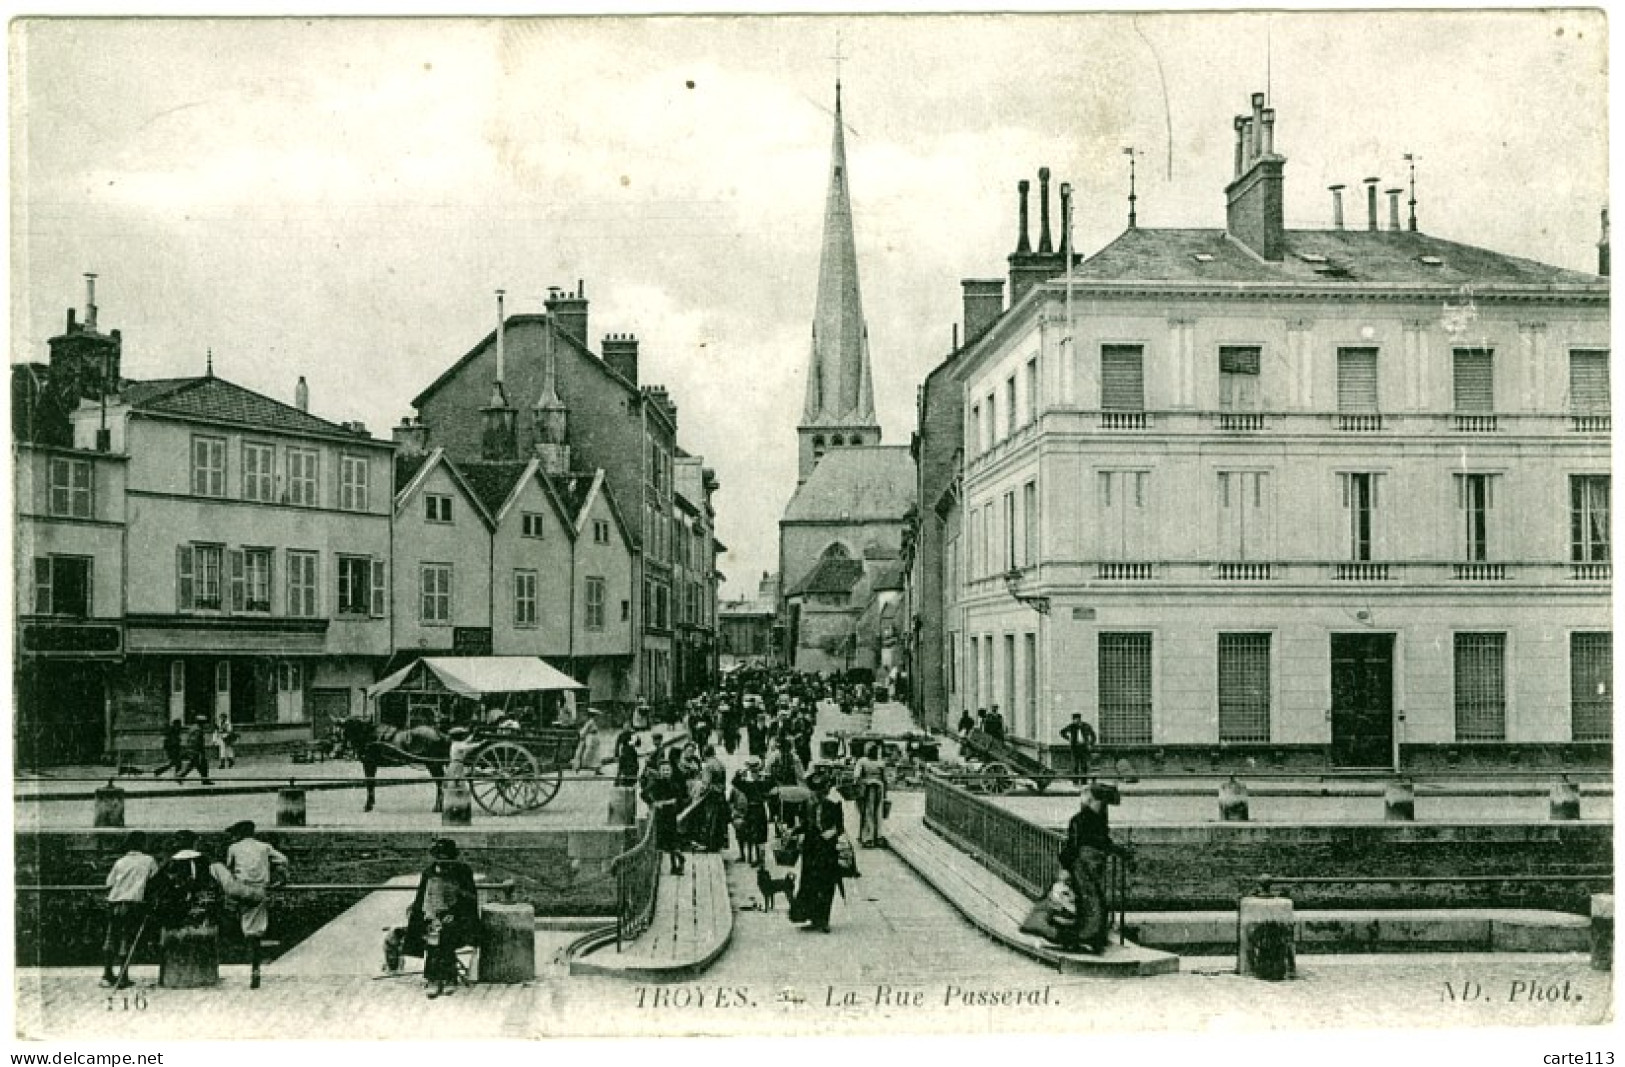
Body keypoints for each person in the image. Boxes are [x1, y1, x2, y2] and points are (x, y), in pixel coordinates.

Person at [147, 830, 229, 988]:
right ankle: (204, 976)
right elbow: (216, 885)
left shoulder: (170, 864)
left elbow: (154, 885)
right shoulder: (206, 862)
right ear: (194, 843)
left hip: (175, 913)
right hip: (201, 911)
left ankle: (175, 977)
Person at [1056, 783, 1129, 954]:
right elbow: (1097, 842)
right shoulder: (1093, 820)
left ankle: (1082, 938)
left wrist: (1066, 865)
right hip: (1086, 865)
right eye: (1100, 802)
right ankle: (1089, 938)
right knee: (1092, 901)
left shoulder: (1081, 819)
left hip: (1085, 865)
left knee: (1086, 901)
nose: (1102, 806)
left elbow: (1074, 845)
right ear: (1093, 802)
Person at [404, 838, 480, 998]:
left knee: (447, 932)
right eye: (440, 859)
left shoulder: (463, 871)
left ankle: (448, 978)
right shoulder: (429, 872)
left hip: (458, 918)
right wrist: (424, 915)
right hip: (432, 915)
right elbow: (422, 898)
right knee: (432, 934)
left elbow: (471, 899)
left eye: (447, 859)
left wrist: (455, 911)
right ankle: (433, 979)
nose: (443, 863)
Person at [223, 820, 289, 990]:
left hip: (239, 888)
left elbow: (229, 867)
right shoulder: (264, 847)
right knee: (255, 931)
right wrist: (276, 872)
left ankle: (231, 920)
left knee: (237, 916)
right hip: (258, 889)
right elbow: (283, 859)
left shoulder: (234, 848)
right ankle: (255, 968)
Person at [101, 831, 159, 988]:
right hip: (133, 903)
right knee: (126, 938)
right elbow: (155, 882)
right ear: (143, 844)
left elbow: (109, 882)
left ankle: (106, 975)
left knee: (111, 936)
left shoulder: (120, 861)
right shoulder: (149, 861)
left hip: (114, 902)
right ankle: (123, 977)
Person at [789, 770, 845, 933]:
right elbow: (804, 825)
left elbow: (840, 827)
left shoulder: (834, 805)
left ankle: (824, 920)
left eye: (821, 791)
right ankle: (814, 918)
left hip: (828, 849)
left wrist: (832, 833)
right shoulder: (806, 805)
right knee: (809, 883)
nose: (818, 795)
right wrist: (793, 831)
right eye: (815, 791)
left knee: (827, 883)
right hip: (811, 848)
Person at [646, 755, 687, 875]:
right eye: (663, 770)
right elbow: (644, 794)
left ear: (671, 771)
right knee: (662, 842)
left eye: (668, 770)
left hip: (670, 816)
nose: (666, 772)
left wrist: (672, 804)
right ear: (659, 771)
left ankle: (676, 864)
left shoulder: (675, 785)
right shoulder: (656, 783)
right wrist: (653, 803)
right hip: (660, 816)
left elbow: (680, 800)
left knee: (671, 841)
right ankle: (672, 863)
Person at [729, 756, 772, 866]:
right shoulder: (760, 782)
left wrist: (741, 772)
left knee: (756, 834)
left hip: (753, 809)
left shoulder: (748, 784)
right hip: (758, 809)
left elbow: (734, 781)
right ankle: (757, 858)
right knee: (755, 834)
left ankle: (756, 858)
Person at [852, 742, 888, 848]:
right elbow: (885, 779)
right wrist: (886, 793)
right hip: (879, 787)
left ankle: (868, 837)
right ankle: (878, 836)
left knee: (868, 812)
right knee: (878, 812)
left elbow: (856, 775)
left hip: (868, 788)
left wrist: (857, 786)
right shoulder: (881, 763)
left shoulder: (862, 761)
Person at [175, 716, 213, 784]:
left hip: (191, 750)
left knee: (196, 765)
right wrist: (200, 751)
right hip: (195, 751)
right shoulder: (198, 730)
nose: (205, 724)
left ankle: (180, 776)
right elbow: (197, 742)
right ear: (200, 722)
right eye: (204, 722)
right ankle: (179, 776)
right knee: (200, 764)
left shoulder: (193, 727)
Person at [1060, 714, 1097, 780]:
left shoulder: (1086, 726)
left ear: (1079, 719)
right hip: (1075, 748)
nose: (1075, 721)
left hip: (1084, 747)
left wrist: (1090, 744)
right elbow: (1062, 732)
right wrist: (1068, 738)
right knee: (1075, 765)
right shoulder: (1071, 726)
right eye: (1074, 720)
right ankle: (1076, 781)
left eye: (1076, 719)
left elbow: (1093, 735)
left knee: (1084, 765)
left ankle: (1084, 781)